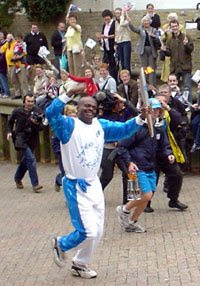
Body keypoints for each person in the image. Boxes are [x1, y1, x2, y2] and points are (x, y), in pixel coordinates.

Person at [46, 86, 148, 278]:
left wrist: (141, 117)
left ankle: (80, 263)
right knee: (87, 231)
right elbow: (51, 113)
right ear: (77, 109)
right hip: (76, 186)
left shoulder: (100, 126)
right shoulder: (68, 125)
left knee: (98, 231)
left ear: (97, 110)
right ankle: (61, 243)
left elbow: (124, 129)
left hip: (93, 184)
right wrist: (68, 93)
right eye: (85, 105)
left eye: (93, 106)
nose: (89, 108)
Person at [116, 98, 174, 232]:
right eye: (154, 109)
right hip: (135, 167)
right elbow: (122, 147)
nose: (156, 112)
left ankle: (132, 222)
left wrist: (168, 154)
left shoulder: (159, 129)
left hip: (150, 166)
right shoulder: (135, 128)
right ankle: (124, 210)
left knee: (145, 198)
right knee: (145, 195)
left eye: (158, 109)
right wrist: (129, 162)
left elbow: (164, 146)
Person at [7, 94, 43, 192]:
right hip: (20, 138)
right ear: (24, 101)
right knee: (31, 159)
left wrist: (36, 123)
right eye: (28, 101)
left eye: (32, 101)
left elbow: (41, 128)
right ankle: (35, 184)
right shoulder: (17, 111)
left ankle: (17, 178)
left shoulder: (38, 111)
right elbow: (10, 122)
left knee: (26, 161)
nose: (30, 103)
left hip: (32, 139)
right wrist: (9, 132)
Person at [161, 20, 194, 102]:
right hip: (175, 67)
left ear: (178, 26)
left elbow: (191, 50)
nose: (174, 28)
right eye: (172, 26)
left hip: (185, 66)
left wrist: (186, 45)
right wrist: (164, 50)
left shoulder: (186, 37)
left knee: (187, 88)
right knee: (174, 88)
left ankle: (188, 106)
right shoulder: (169, 40)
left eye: (176, 26)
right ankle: (176, 105)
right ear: (170, 28)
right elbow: (169, 54)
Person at [129, 15, 161, 86]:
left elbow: (158, 40)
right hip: (143, 50)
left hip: (152, 50)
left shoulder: (154, 30)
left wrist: (153, 36)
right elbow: (134, 29)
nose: (146, 22)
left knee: (151, 68)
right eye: (144, 21)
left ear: (150, 22)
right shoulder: (141, 29)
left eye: (147, 21)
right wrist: (129, 22)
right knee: (145, 68)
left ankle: (152, 84)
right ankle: (145, 84)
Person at [0, 33, 29, 99]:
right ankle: (17, 93)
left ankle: (25, 95)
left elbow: (24, 52)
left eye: (10, 37)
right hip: (10, 65)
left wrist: (19, 56)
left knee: (22, 80)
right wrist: (7, 43)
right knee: (14, 80)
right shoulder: (6, 45)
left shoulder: (17, 43)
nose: (9, 39)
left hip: (19, 64)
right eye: (7, 38)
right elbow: (1, 51)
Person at [160, 13, 185, 83]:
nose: (171, 20)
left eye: (173, 18)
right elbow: (161, 38)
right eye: (170, 18)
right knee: (168, 68)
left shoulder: (181, 27)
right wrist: (165, 33)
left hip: (177, 49)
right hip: (168, 49)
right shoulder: (165, 26)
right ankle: (168, 82)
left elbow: (183, 36)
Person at [96, 9, 118, 81]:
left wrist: (106, 36)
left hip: (113, 47)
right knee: (108, 65)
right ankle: (108, 80)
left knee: (114, 66)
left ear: (110, 16)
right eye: (105, 17)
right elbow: (103, 35)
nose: (106, 18)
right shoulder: (104, 25)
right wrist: (100, 37)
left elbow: (116, 35)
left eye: (107, 16)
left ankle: (114, 81)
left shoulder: (114, 23)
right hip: (106, 48)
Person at [0, 31, 10, 98]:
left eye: (1, 34)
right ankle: (2, 91)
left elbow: (3, 54)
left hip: (3, 63)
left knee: (3, 77)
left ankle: (6, 92)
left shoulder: (6, 43)